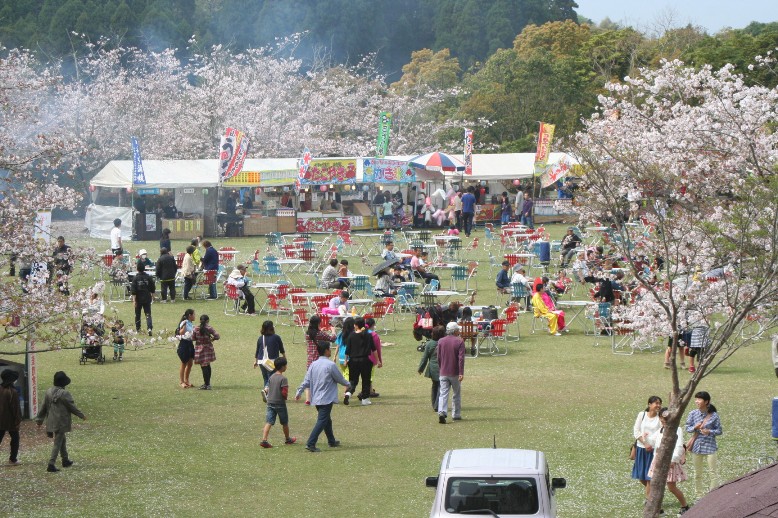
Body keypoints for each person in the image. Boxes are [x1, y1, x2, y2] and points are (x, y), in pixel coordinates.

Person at [295, 342, 351, 452]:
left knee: (326, 420)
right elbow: (339, 378)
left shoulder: (313, 364)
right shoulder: (330, 365)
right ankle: (311, 443)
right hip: (326, 398)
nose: (331, 351)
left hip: (316, 397)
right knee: (322, 420)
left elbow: (306, 381)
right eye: (329, 349)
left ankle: (331, 440)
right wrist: (349, 384)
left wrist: (299, 391)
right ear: (326, 350)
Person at [36, 371, 86, 472]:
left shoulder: (48, 391)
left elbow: (43, 407)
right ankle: (51, 463)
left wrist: (39, 420)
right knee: (58, 442)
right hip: (61, 421)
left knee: (62, 440)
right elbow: (71, 407)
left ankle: (65, 459)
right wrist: (81, 415)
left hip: (51, 421)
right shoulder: (64, 393)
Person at [647, 408, 690, 515]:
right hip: (658, 459)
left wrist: (673, 460)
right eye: (662, 421)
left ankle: (685, 506)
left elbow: (679, 446)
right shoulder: (661, 429)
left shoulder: (677, 429)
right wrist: (646, 437)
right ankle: (658, 509)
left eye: (665, 421)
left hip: (669, 460)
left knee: (671, 487)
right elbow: (654, 441)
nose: (664, 423)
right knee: (655, 485)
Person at [684, 391, 722, 497]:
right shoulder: (692, 413)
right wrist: (694, 427)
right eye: (696, 399)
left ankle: (713, 494)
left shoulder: (714, 415)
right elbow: (687, 428)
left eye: (699, 399)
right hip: (696, 447)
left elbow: (719, 430)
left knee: (713, 472)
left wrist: (709, 431)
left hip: (710, 447)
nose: (697, 401)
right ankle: (699, 495)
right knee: (697, 474)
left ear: (706, 401)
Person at [259, 357, 297, 448]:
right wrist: (285, 397)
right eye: (285, 365)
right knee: (284, 422)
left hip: (270, 402)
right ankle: (288, 439)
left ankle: (264, 440)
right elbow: (284, 392)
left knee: (269, 422)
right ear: (283, 367)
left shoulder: (271, 377)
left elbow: (268, 387)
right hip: (280, 403)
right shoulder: (283, 378)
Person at [632, 396, 662, 500]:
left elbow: (661, 433)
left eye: (659, 403)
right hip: (642, 448)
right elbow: (636, 431)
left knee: (650, 478)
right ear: (649, 404)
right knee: (641, 477)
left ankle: (649, 502)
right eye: (656, 403)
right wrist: (645, 443)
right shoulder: (642, 415)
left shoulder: (660, 418)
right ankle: (654, 493)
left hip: (653, 450)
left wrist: (651, 444)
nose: (658, 405)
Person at [437, 321, 465, 424]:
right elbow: (461, 358)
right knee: (456, 393)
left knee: (443, 393)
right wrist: (461, 372)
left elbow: (438, 357)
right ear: (455, 331)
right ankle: (456, 414)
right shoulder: (459, 342)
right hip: (455, 372)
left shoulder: (440, 341)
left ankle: (442, 411)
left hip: (443, 371)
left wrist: (441, 368)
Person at [343, 317, 376, 406]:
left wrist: (346, 361)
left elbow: (347, 350)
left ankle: (348, 393)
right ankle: (365, 399)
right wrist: (378, 361)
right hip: (365, 360)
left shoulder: (351, 335)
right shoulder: (368, 335)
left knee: (353, 380)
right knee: (366, 380)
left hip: (353, 361)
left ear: (356, 325)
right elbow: (374, 349)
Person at [303, 316, 336, 404]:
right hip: (320, 359)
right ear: (318, 323)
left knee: (309, 379)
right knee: (322, 379)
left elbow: (316, 334)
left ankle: (308, 399)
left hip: (310, 359)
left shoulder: (307, 334)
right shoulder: (320, 334)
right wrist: (333, 331)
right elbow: (332, 339)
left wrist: (321, 330)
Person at [255, 320, 286, 397]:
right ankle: (266, 391)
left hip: (261, 361)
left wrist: (256, 361)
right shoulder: (276, 337)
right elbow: (281, 349)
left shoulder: (260, 338)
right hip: (271, 362)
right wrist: (284, 357)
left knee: (266, 378)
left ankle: (267, 394)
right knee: (272, 378)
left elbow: (257, 350)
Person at [418, 325, 443, 413]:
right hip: (442, 368)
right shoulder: (443, 343)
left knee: (435, 386)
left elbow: (424, 358)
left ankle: (434, 404)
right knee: (441, 387)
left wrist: (420, 368)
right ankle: (437, 405)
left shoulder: (429, 344)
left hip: (432, 368)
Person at [0, 369, 22, 465]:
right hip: (10, 421)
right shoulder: (13, 392)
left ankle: (13, 459)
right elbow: (16, 409)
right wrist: (18, 420)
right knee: (15, 439)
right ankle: (13, 459)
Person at [193, 315, 220, 390]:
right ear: (207, 321)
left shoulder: (196, 328)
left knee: (203, 366)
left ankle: (206, 384)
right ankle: (208, 383)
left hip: (199, 349)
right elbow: (217, 336)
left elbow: (193, 338)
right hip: (208, 348)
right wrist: (212, 339)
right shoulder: (209, 328)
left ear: (200, 320)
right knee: (207, 365)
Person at [130, 261, 155, 336]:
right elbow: (152, 288)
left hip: (138, 299)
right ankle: (149, 328)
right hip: (147, 298)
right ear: (144, 268)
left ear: (137, 269)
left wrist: (134, 301)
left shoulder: (135, 278)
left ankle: (138, 329)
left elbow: (133, 291)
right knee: (148, 314)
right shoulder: (148, 277)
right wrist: (153, 296)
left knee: (137, 314)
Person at [175, 309, 196, 388]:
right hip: (184, 344)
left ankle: (187, 380)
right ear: (190, 315)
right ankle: (181, 382)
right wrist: (184, 327)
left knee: (190, 363)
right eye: (194, 314)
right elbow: (181, 333)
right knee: (184, 363)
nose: (195, 316)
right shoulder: (185, 322)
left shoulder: (190, 323)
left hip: (190, 343)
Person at [365, 317, 382, 399]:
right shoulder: (374, 335)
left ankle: (369, 389)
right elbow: (378, 349)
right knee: (370, 375)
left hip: (359, 357)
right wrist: (379, 361)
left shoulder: (360, 333)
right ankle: (369, 390)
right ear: (373, 325)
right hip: (371, 358)